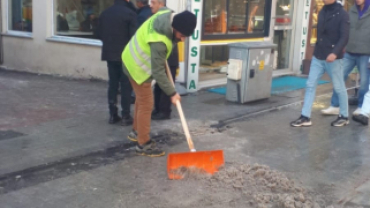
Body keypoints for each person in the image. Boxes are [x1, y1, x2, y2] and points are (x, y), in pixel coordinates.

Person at [122, 10, 196, 157]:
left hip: (129, 56)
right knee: (146, 103)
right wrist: (172, 93)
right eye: (181, 36)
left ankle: (136, 131)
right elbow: (158, 73)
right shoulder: (160, 41)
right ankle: (143, 144)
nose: (183, 40)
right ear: (174, 28)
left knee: (141, 99)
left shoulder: (166, 14)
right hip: (137, 67)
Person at [291, 0, 350, 127]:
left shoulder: (342, 14)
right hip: (318, 56)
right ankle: (305, 116)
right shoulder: (322, 11)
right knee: (310, 84)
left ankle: (344, 116)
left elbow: (344, 37)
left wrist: (334, 53)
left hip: (334, 58)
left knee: (339, 87)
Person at [321, 0, 370, 117]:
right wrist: (342, 46)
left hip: (366, 52)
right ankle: (335, 105)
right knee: (339, 76)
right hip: (349, 51)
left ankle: (361, 107)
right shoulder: (351, 10)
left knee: (364, 82)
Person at [96, 0, 137, 125]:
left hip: (110, 54)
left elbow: (97, 33)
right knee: (125, 85)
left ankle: (113, 114)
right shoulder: (130, 13)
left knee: (113, 84)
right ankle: (125, 115)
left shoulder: (105, 13)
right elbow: (134, 37)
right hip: (125, 55)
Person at [151, 1, 180, 120]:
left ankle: (164, 111)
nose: (150, 5)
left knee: (167, 84)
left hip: (170, 57)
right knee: (159, 83)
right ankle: (158, 108)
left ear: (160, 3)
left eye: (153, 2)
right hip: (161, 55)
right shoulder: (157, 17)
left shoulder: (169, 17)